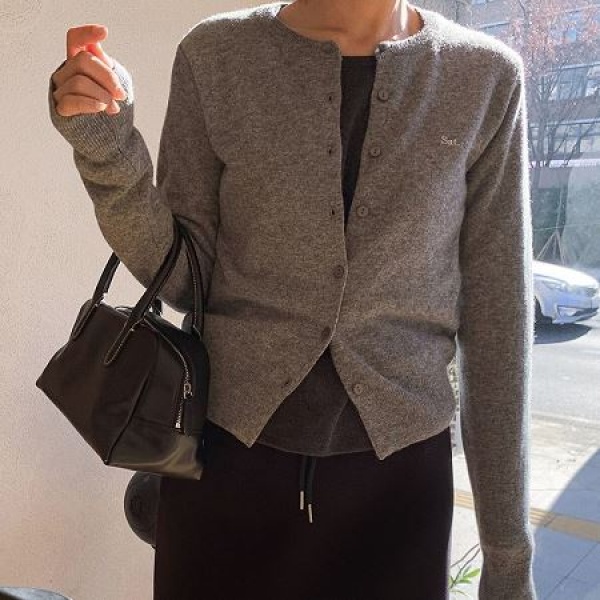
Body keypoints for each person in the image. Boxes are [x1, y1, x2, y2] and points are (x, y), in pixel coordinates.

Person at [48, 1, 537, 599]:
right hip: (225, 472)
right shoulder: (217, 55)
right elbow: (183, 279)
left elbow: (497, 327)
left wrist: (508, 562)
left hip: (398, 497)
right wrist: (106, 142)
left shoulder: (484, 77)